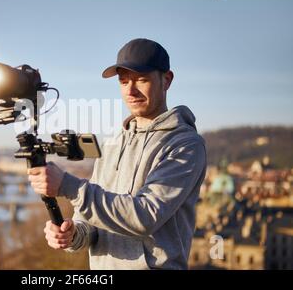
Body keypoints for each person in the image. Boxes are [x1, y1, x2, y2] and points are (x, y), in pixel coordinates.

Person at [28, 38, 207, 269]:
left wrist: (68, 186)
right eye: (124, 82)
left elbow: (145, 216)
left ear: (167, 80)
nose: (130, 91)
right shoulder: (114, 142)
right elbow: (93, 225)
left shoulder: (185, 144)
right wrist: (73, 234)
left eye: (141, 80)